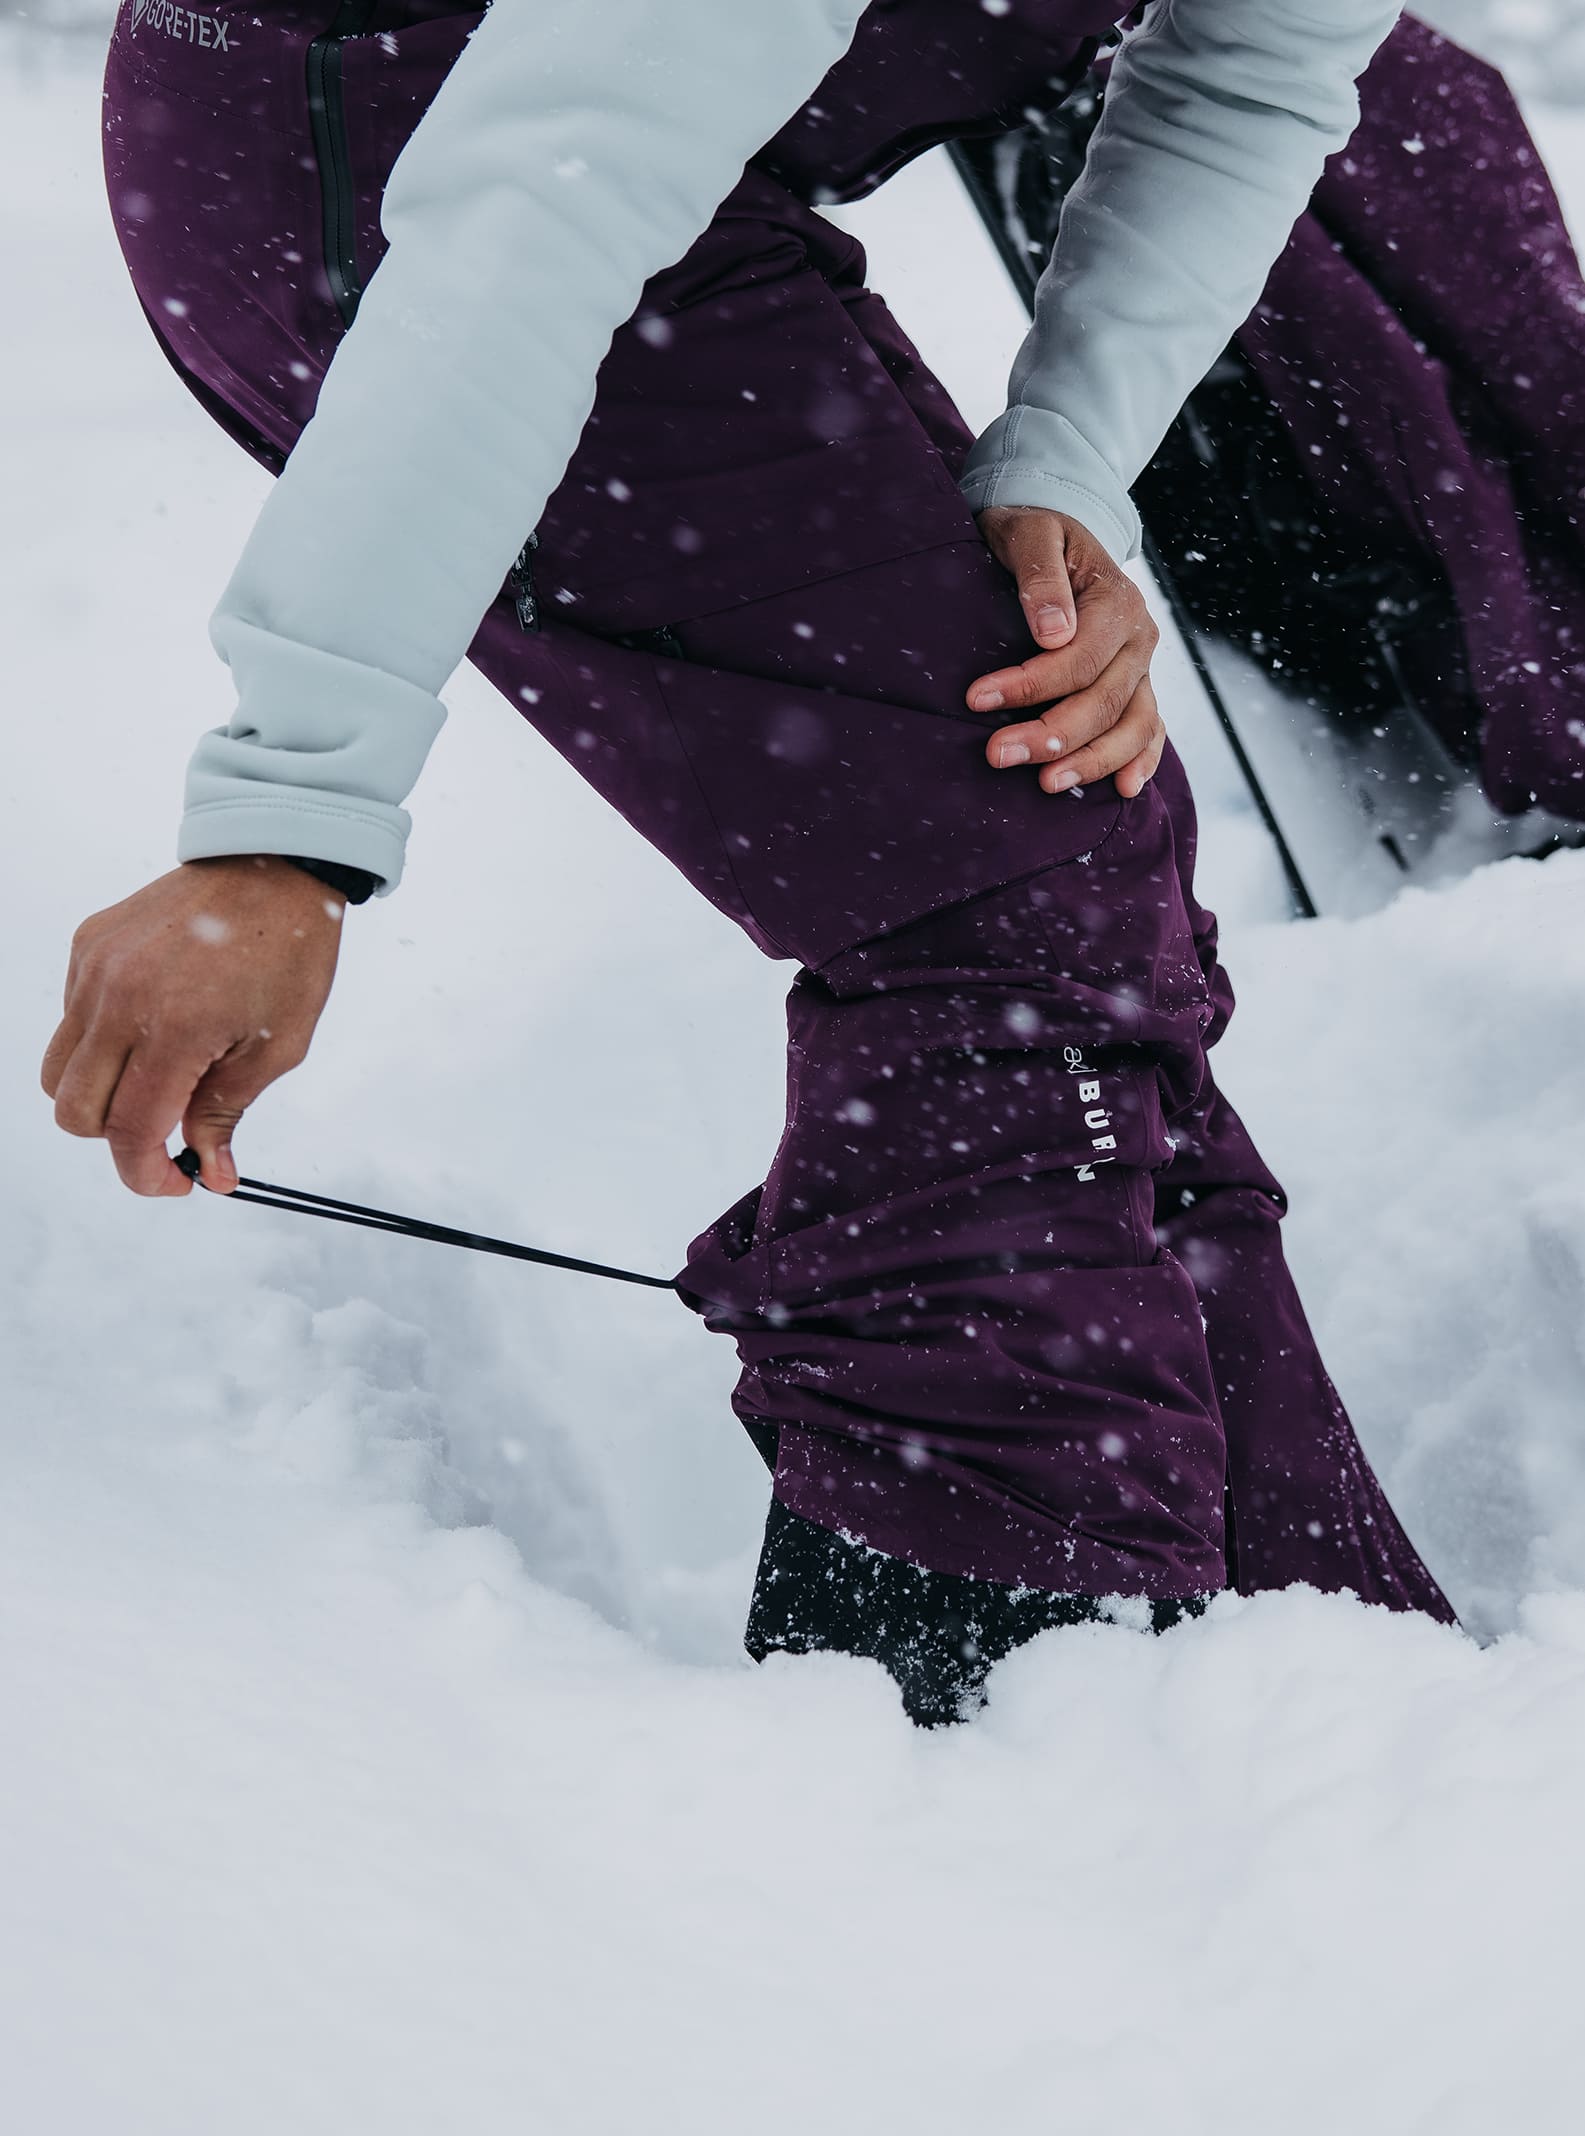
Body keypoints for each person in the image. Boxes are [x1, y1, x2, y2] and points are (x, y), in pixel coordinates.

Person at [45, 0, 1455, 1724]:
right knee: (993, 891)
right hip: (396, 168)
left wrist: (1066, 462)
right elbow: (538, 196)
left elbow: (1249, 67)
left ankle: (1288, 1634)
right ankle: (982, 1714)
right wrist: (285, 821)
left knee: (1062, 842)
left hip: (672, 175)